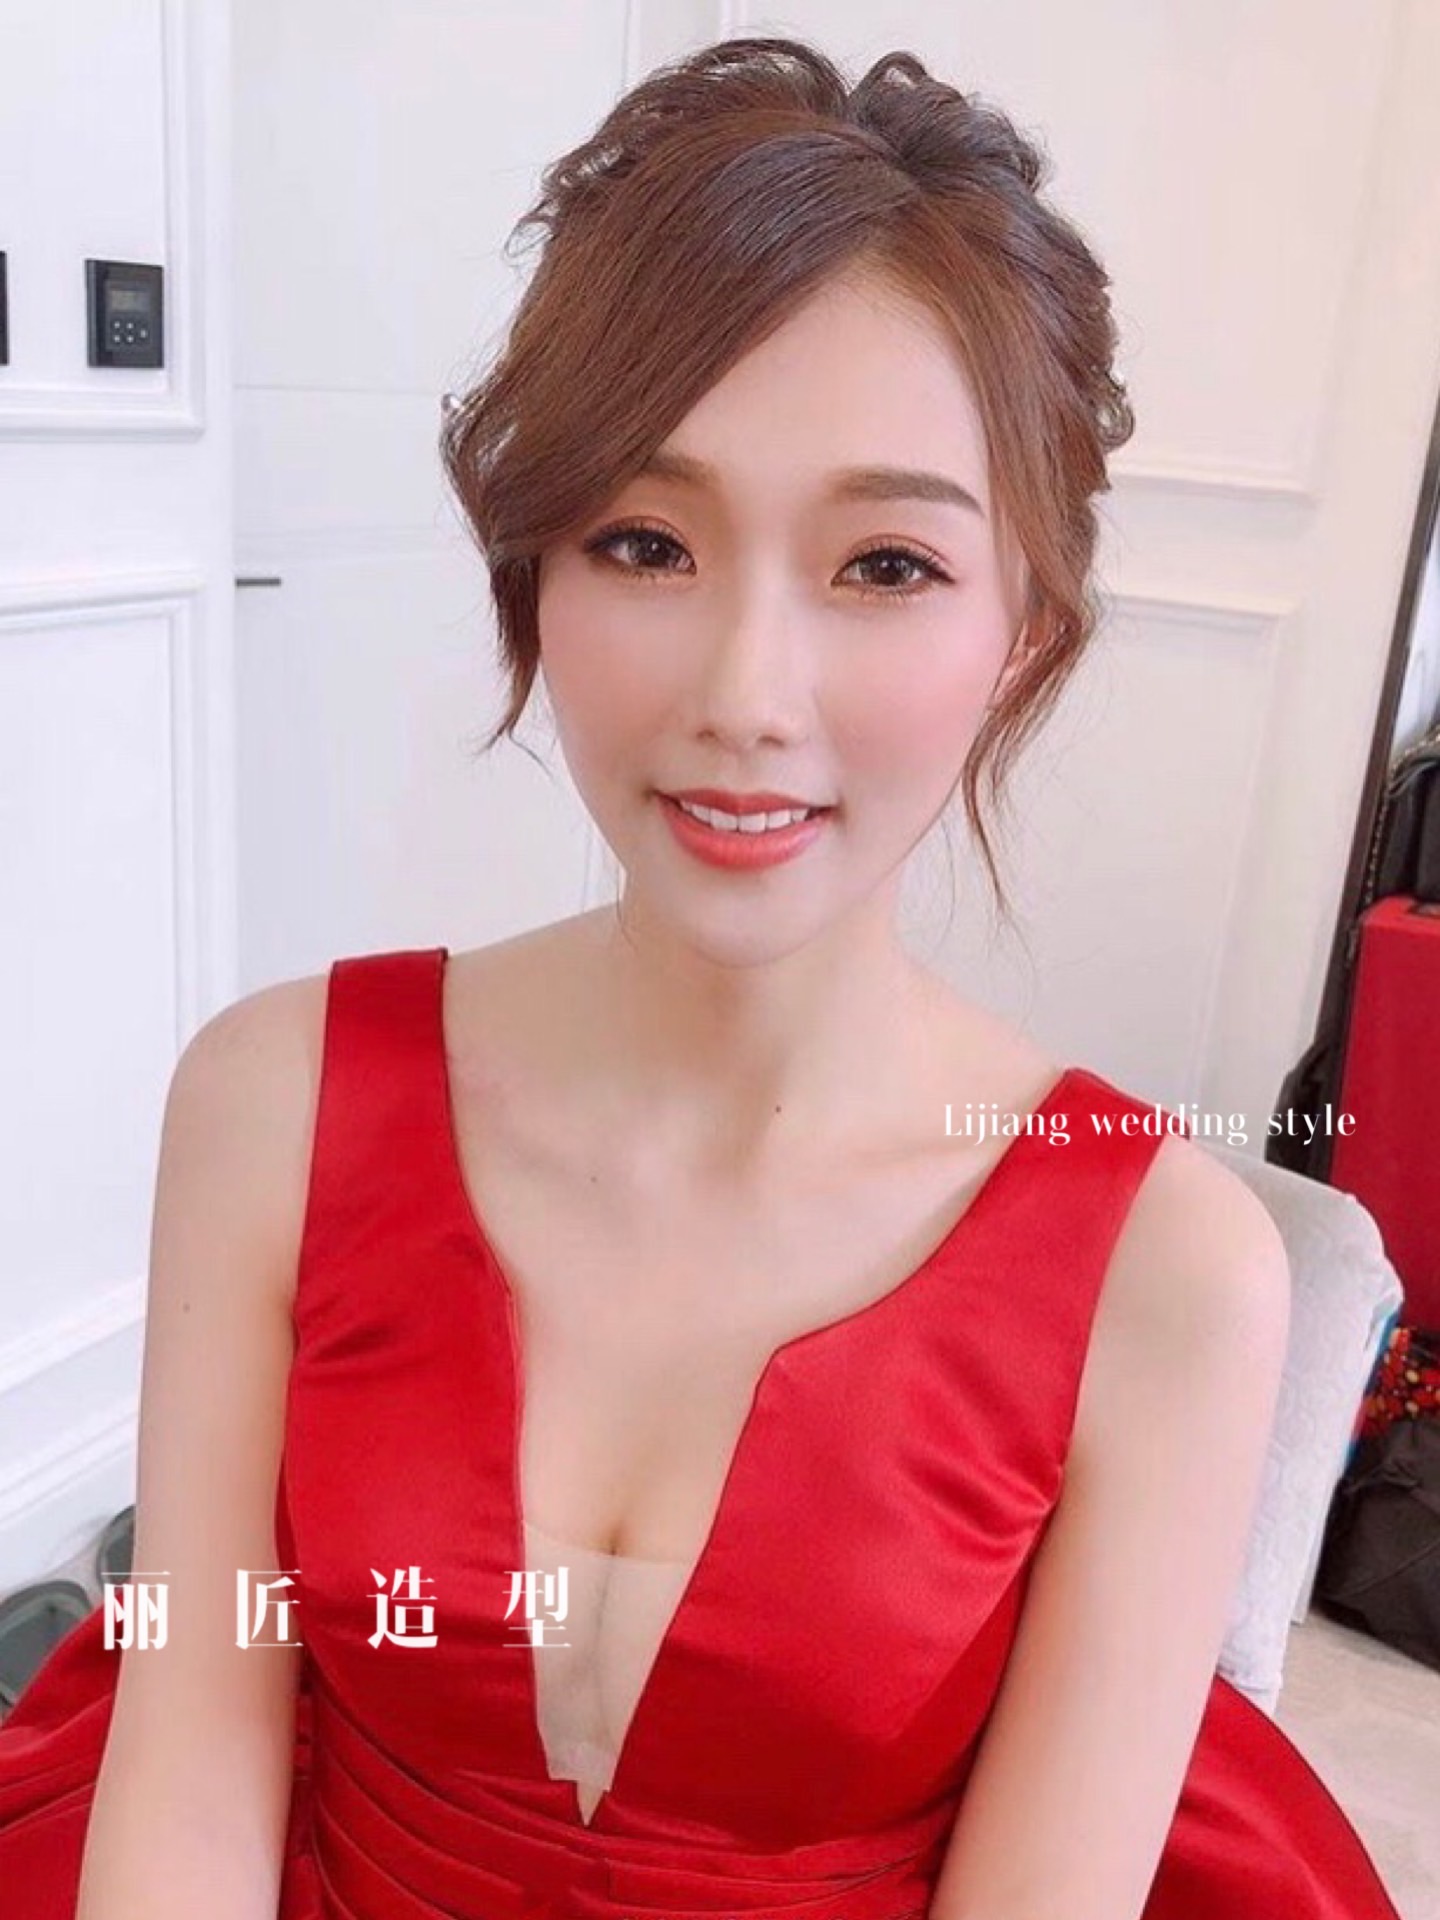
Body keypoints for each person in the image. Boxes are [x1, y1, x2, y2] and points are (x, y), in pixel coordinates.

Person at [0, 33, 1406, 1920]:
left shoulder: (1170, 1277)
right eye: (645, 542)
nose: (746, 695)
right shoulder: (275, 1104)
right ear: (536, 574)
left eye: (885, 565)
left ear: (1024, 631)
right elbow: (195, 1737)